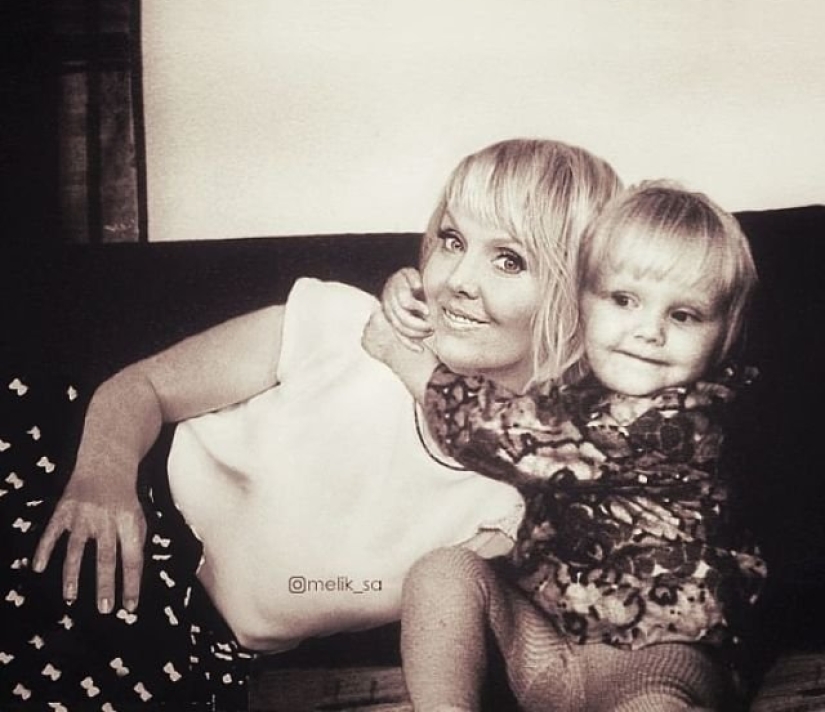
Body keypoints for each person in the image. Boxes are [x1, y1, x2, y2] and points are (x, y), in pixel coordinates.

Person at [0, 138, 622, 711]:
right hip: (98, 485)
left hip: (183, 650)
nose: (457, 280)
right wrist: (102, 479)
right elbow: (143, 389)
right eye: (453, 240)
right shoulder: (340, 323)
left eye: (508, 260)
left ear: (579, 296)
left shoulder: (524, 498)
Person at [363, 181, 768, 711]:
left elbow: (509, 433)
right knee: (441, 573)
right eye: (623, 300)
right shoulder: (579, 384)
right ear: (582, 300)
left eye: (683, 315)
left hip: (659, 660)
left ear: (725, 334)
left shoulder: (684, 420)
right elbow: (501, 344)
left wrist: (410, 363)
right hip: (547, 650)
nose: (648, 331)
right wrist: (414, 299)